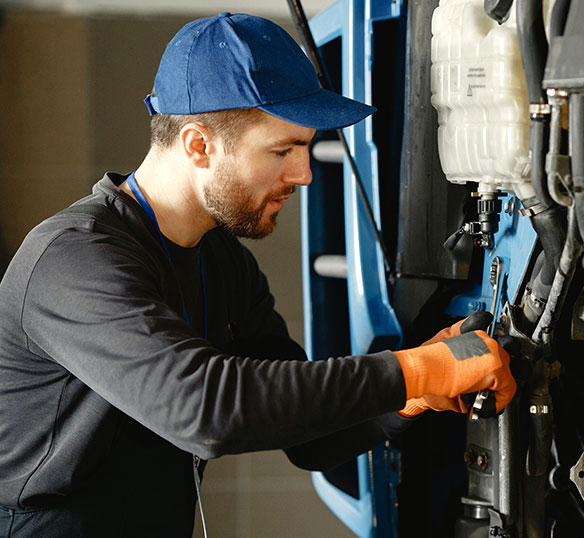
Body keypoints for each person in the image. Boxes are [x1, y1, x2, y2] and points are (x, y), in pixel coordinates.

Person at [0, 12, 516, 538]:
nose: (304, 174)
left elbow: (311, 436)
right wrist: (416, 370)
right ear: (198, 145)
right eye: (282, 150)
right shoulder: (73, 259)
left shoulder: (220, 259)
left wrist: (411, 397)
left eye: (306, 147)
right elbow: (204, 410)